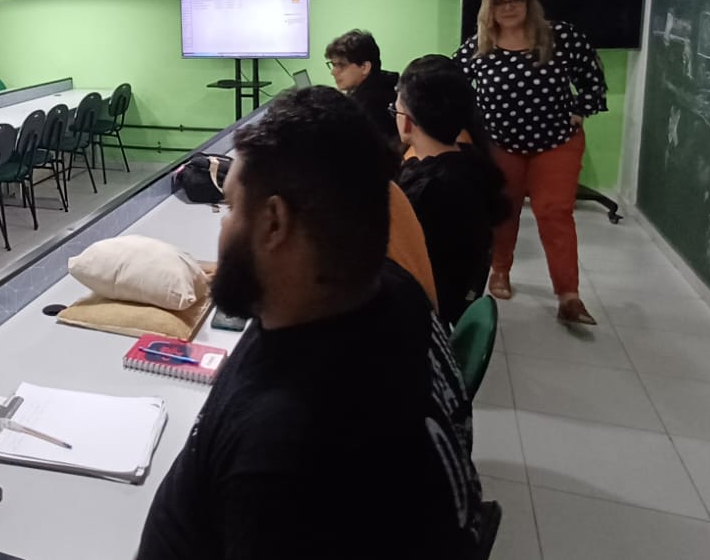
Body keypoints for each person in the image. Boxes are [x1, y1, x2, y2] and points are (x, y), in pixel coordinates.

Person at [136, 88, 481, 559]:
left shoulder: (291, 457)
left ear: (274, 223)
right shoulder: (389, 291)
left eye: (232, 207)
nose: (223, 226)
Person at [456, 0, 608, 325]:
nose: (508, 7)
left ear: (528, 4)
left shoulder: (560, 37)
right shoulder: (478, 47)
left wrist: (579, 110)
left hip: (556, 142)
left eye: (516, 0)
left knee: (554, 212)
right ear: (489, 9)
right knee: (504, 211)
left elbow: (592, 77)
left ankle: (568, 294)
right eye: (500, 1)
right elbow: (451, 84)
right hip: (500, 144)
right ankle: (500, 270)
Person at [396, 55, 510, 327]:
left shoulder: (427, 190)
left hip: (422, 317)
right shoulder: (473, 163)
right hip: (451, 304)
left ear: (408, 121)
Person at [325, 29, 400, 144]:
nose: (333, 72)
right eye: (333, 65)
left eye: (340, 65)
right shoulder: (387, 83)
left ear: (365, 67)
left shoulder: (365, 108)